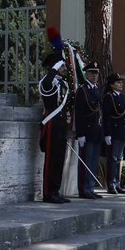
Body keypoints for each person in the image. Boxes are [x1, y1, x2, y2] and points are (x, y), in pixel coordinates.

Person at [38, 52, 71, 204]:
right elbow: (45, 87)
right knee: (51, 158)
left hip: (60, 123)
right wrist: (54, 69)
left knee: (59, 158)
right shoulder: (47, 80)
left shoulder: (62, 83)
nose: (64, 68)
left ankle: (55, 190)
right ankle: (48, 193)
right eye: (62, 65)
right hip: (51, 123)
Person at [74, 63, 104, 199]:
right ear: (86, 74)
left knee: (93, 161)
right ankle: (84, 189)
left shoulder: (97, 89)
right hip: (86, 131)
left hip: (96, 131)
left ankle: (90, 187)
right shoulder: (83, 90)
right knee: (85, 160)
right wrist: (80, 134)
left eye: (96, 73)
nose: (95, 75)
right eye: (92, 73)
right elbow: (79, 114)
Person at [103, 73, 125, 195]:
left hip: (120, 132)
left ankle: (117, 184)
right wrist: (107, 134)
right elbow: (107, 117)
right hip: (113, 132)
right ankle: (111, 184)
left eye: (121, 82)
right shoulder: (109, 97)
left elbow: (124, 118)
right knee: (113, 159)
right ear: (111, 84)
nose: (121, 84)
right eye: (118, 82)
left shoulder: (121, 97)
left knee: (119, 159)